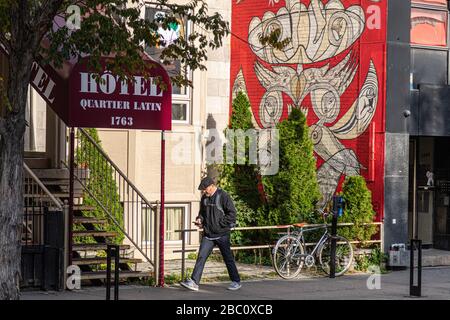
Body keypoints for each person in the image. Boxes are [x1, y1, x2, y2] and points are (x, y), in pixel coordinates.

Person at [180, 177, 241, 291]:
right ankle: (194, 282)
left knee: (228, 258)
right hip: (208, 235)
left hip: (222, 234)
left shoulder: (223, 196)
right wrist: (200, 220)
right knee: (201, 257)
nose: (203, 191)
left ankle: (236, 281)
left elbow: (232, 214)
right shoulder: (204, 198)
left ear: (212, 186)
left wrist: (219, 223)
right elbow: (202, 214)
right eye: (202, 190)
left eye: (205, 189)